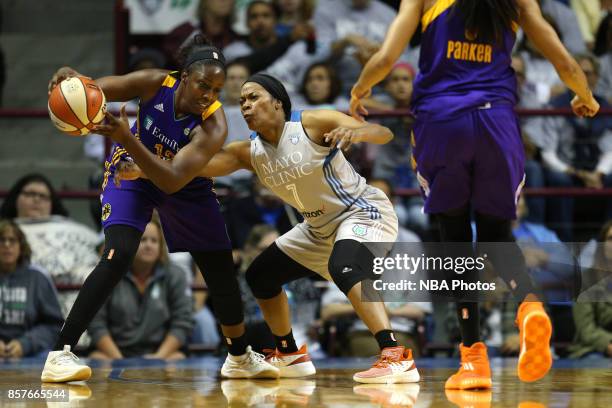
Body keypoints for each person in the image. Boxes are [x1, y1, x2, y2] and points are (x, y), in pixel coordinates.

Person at [350, 0, 600, 390]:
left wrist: (360, 89)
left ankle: (473, 359)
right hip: (496, 123)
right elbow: (565, 61)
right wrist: (584, 95)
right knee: (496, 233)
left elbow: (386, 58)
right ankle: (530, 305)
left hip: (442, 121)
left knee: (454, 239)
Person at [116, 73, 421, 384]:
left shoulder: (312, 123)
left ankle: (395, 355)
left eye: (254, 97)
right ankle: (289, 354)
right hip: (317, 227)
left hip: (362, 212)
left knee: (345, 266)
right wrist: (142, 167)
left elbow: (382, 133)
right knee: (260, 276)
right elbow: (187, 169)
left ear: (278, 102)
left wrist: (356, 132)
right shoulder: (248, 153)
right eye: (242, 101)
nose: (246, 106)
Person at [40, 35, 278, 383]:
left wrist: (127, 138)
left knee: (221, 271)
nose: (209, 95)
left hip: (183, 184)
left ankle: (239, 357)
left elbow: (171, 181)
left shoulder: (214, 126)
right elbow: (98, 91)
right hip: (130, 174)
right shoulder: (155, 82)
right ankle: (60, 354)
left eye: (216, 88)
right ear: (183, 77)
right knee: (118, 253)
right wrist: (74, 86)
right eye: (202, 85)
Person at [88, 216, 194, 361]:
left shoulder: (175, 275)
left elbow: (182, 322)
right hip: (115, 353)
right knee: (97, 358)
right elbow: (96, 324)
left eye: (154, 241)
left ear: (161, 246)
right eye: (143, 240)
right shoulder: (107, 274)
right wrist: (119, 361)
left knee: (178, 357)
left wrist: (159, 358)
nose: (148, 245)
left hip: (161, 353)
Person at [0, 220, 64, 358]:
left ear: (21, 246)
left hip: (32, 352)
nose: (6, 245)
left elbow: (54, 326)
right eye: (1, 240)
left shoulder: (38, 278)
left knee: (48, 358)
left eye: (12, 240)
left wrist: (25, 344)